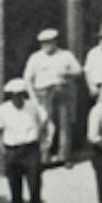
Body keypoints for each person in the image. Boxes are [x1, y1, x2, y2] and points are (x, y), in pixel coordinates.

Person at [0, 77, 48, 203]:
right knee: (15, 193)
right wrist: (4, 150)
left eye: (20, 95)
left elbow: (44, 125)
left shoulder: (33, 108)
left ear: (24, 94)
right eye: (13, 95)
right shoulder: (2, 110)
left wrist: (43, 147)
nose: (17, 98)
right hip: (12, 151)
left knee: (34, 191)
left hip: (31, 150)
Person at [24, 28, 82, 165]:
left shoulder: (65, 55)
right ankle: (45, 156)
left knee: (64, 125)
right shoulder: (35, 57)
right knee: (45, 124)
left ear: (55, 41)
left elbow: (79, 70)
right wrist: (33, 97)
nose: (47, 45)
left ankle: (64, 156)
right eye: (44, 43)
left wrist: (67, 73)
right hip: (43, 93)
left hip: (61, 91)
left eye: (50, 42)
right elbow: (27, 78)